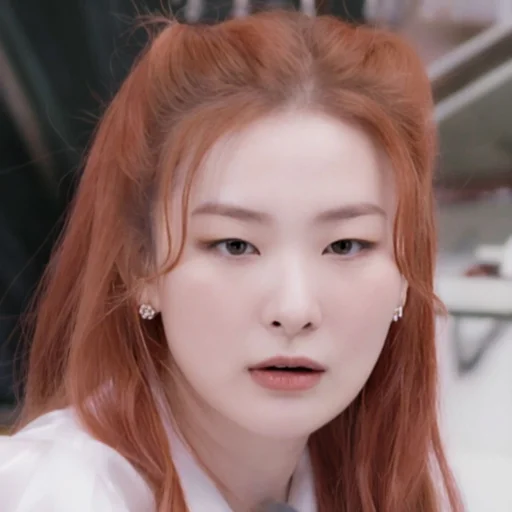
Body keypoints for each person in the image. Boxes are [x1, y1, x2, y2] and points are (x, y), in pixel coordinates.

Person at [0, 9, 483, 512]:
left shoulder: (374, 480)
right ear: (142, 265)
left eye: (345, 246)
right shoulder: (66, 493)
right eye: (235, 245)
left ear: (406, 272)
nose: (294, 310)